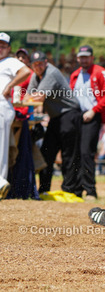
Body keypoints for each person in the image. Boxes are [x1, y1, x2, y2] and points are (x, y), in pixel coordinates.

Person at [26, 51, 83, 195]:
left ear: (46, 62)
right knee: (47, 152)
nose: (38, 67)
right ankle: (44, 190)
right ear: (32, 65)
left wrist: (27, 98)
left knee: (68, 155)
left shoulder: (51, 72)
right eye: (35, 64)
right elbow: (28, 96)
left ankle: (71, 190)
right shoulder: (35, 75)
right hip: (56, 117)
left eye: (40, 63)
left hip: (69, 114)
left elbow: (38, 98)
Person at [69, 45, 105, 199]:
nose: (84, 59)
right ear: (77, 58)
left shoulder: (100, 72)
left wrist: (94, 110)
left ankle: (90, 190)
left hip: (93, 115)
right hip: (77, 116)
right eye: (81, 57)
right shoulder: (75, 74)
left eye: (87, 56)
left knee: (87, 152)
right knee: (76, 153)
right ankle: (77, 189)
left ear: (92, 57)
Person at [0, 33, 32, 198]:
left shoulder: (10, 61)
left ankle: (1, 183)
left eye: (3, 45)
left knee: (1, 147)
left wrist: (9, 86)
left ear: (9, 48)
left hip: (2, 106)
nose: (0, 48)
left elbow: (26, 71)